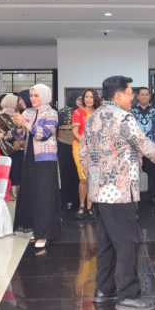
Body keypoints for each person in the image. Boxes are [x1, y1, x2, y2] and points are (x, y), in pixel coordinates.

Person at [80, 76, 155, 310]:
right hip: (119, 192)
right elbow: (143, 142)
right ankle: (128, 295)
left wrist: (94, 179)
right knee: (127, 243)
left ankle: (104, 289)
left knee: (106, 243)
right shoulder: (123, 117)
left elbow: (83, 152)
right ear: (118, 95)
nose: (132, 97)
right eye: (129, 92)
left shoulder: (93, 117)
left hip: (99, 192)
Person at [12, 84, 61, 249]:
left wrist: (25, 124)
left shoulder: (51, 113)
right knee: (32, 194)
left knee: (44, 195)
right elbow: (19, 136)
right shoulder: (27, 112)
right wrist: (18, 126)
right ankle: (37, 228)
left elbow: (44, 134)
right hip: (29, 158)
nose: (33, 98)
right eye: (31, 95)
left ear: (45, 96)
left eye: (36, 95)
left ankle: (44, 233)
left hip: (45, 159)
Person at [0, 93, 24, 199]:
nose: (19, 103)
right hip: (10, 148)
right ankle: (15, 193)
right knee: (14, 172)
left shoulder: (17, 114)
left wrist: (20, 141)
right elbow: (5, 133)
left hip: (21, 147)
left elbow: (22, 130)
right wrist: (16, 141)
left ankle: (21, 193)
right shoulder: (2, 117)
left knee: (20, 171)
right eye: (17, 101)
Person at [131, 87, 155, 208]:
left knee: (152, 173)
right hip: (136, 149)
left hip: (151, 148)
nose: (144, 97)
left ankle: (152, 197)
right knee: (135, 173)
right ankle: (135, 197)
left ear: (150, 96)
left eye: (146, 95)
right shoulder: (132, 112)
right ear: (137, 96)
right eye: (142, 94)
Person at [72, 89, 100, 219]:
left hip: (95, 149)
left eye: (91, 97)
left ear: (95, 99)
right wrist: (84, 141)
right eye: (87, 97)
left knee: (93, 178)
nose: (89, 99)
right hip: (79, 147)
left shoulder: (99, 113)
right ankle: (82, 206)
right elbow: (75, 132)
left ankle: (90, 207)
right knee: (83, 178)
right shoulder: (78, 112)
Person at [55, 94, 79, 211]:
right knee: (65, 172)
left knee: (78, 173)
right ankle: (65, 199)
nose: (81, 101)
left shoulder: (84, 112)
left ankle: (78, 199)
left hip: (79, 146)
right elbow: (55, 129)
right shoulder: (62, 112)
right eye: (79, 99)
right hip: (63, 146)